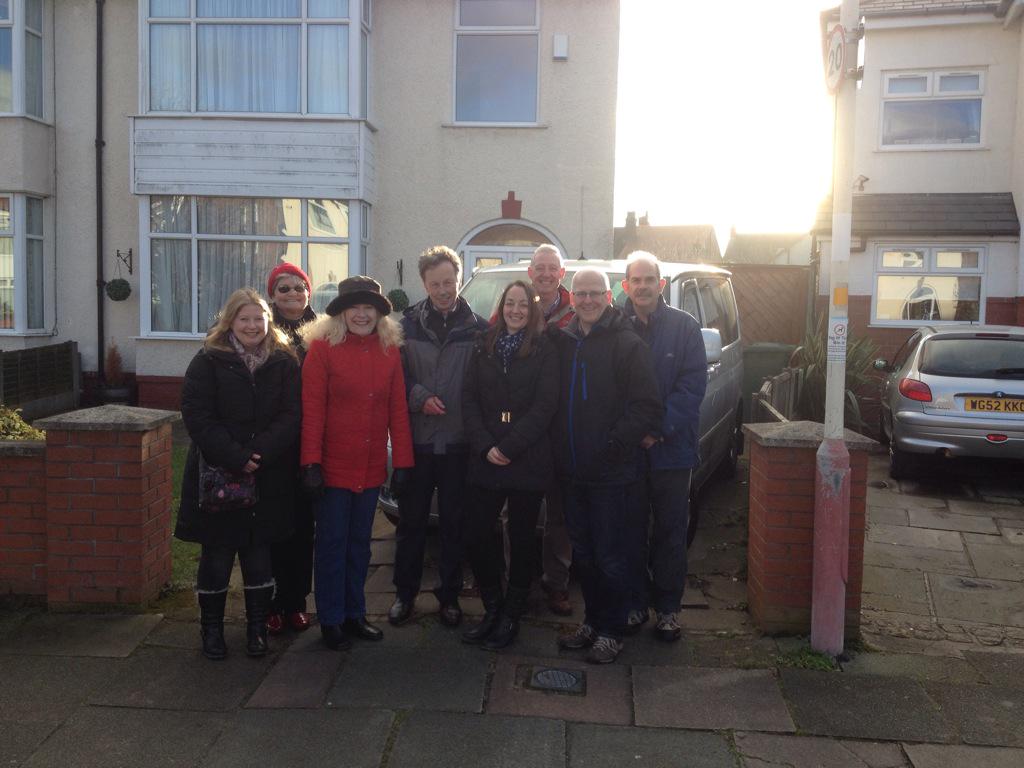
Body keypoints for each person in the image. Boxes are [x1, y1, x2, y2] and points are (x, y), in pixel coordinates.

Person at [175, 289, 301, 661]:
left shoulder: (284, 360)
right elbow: (196, 414)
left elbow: (292, 414)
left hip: (267, 475)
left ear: (268, 322)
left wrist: (258, 453)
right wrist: (235, 456)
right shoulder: (208, 360)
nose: (252, 326)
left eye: (258, 319)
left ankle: (257, 630)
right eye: (244, 319)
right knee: (216, 556)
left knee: (259, 555)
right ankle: (211, 631)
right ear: (230, 321)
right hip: (218, 475)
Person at [548, 268, 662, 664]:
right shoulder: (563, 341)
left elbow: (647, 405)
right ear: (572, 297)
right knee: (584, 553)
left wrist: (614, 444)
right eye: (581, 294)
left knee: (612, 555)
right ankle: (593, 622)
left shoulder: (627, 344)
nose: (588, 300)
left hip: (613, 473)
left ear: (609, 297)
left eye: (595, 293)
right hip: (573, 471)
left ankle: (612, 631)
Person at [299, 277, 414, 650]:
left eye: (369, 308)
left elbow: (398, 409)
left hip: (370, 466)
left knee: (360, 545)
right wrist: (311, 463)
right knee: (332, 543)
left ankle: (355, 613)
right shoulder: (322, 349)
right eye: (355, 307)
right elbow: (312, 410)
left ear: (379, 314)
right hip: (332, 466)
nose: (362, 314)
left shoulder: (389, 350)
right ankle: (331, 618)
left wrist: (404, 465)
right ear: (341, 312)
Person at [390, 246, 489, 627]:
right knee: (411, 524)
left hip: (460, 442)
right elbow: (396, 377)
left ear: (459, 279)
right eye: (436, 283)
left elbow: (485, 385)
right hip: (418, 440)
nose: (444, 289)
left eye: (449, 281)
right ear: (424, 284)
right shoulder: (405, 326)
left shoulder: (479, 328)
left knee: (453, 524)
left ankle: (449, 596)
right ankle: (404, 594)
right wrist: (418, 397)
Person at [460, 280, 559, 649]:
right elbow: (468, 399)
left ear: (532, 310)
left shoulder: (546, 349)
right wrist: (487, 445)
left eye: (522, 305)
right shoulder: (482, 344)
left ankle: (512, 614)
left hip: (526, 458)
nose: (515, 310)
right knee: (477, 533)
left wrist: (511, 445)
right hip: (486, 456)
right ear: (501, 307)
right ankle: (492, 606)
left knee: (521, 539)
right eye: (509, 303)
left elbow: (546, 405)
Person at [621, 251, 707, 641]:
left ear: (661, 284)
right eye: (635, 280)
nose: (642, 286)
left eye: (648, 279)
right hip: (628, 450)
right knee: (631, 530)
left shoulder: (685, 327)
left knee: (671, 532)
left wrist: (656, 429)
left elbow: (692, 388)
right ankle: (635, 604)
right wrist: (630, 433)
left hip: (672, 451)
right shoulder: (612, 327)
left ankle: (669, 609)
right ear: (625, 286)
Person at [264, 262, 318, 635]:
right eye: (284, 289)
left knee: (303, 528)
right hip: (273, 445)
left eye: (299, 288)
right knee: (271, 528)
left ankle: (296, 602)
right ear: (272, 294)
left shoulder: (324, 332)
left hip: (309, 443)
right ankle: (270, 603)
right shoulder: (261, 331)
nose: (293, 295)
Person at [528, 244, 575, 617]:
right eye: (539, 267)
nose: (545, 274)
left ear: (562, 274)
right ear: (531, 272)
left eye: (552, 268)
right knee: (519, 512)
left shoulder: (580, 310)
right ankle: (519, 583)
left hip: (563, 429)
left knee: (559, 515)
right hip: (523, 430)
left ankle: (556, 584)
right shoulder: (514, 306)